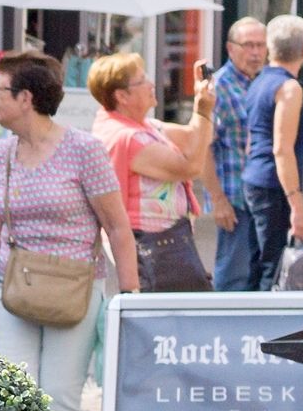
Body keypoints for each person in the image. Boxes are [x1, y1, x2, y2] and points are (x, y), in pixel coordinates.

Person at [0, 51, 140, 411]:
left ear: (25, 97)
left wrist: (129, 296)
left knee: (61, 397)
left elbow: (117, 227)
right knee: (13, 394)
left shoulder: (84, 150)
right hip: (15, 288)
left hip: (74, 289)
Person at [86, 53, 219, 293]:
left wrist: (202, 106)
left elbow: (193, 139)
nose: (152, 84)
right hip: (152, 246)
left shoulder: (140, 125)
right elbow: (191, 167)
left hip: (163, 244)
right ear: (122, 96)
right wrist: (202, 109)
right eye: (142, 80)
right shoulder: (129, 137)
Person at [241, 15, 303, 291]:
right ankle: (262, 319)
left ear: (270, 48)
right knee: (272, 269)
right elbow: (282, 149)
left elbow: (251, 138)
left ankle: (247, 316)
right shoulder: (289, 88)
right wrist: (297, 207)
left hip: (254, 179)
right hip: (274, 185)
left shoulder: (259, 82)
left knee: (258, 263)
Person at [206, 17, 267, 291]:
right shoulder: (218, 88)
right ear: (231, 48)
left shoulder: (265, 82)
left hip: (263, 201)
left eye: (261, 46)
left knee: (261, 277)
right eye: (248, 45)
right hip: (235, 202)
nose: (255, 53)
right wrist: (217, 200)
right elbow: (203, 148)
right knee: (234, 279)